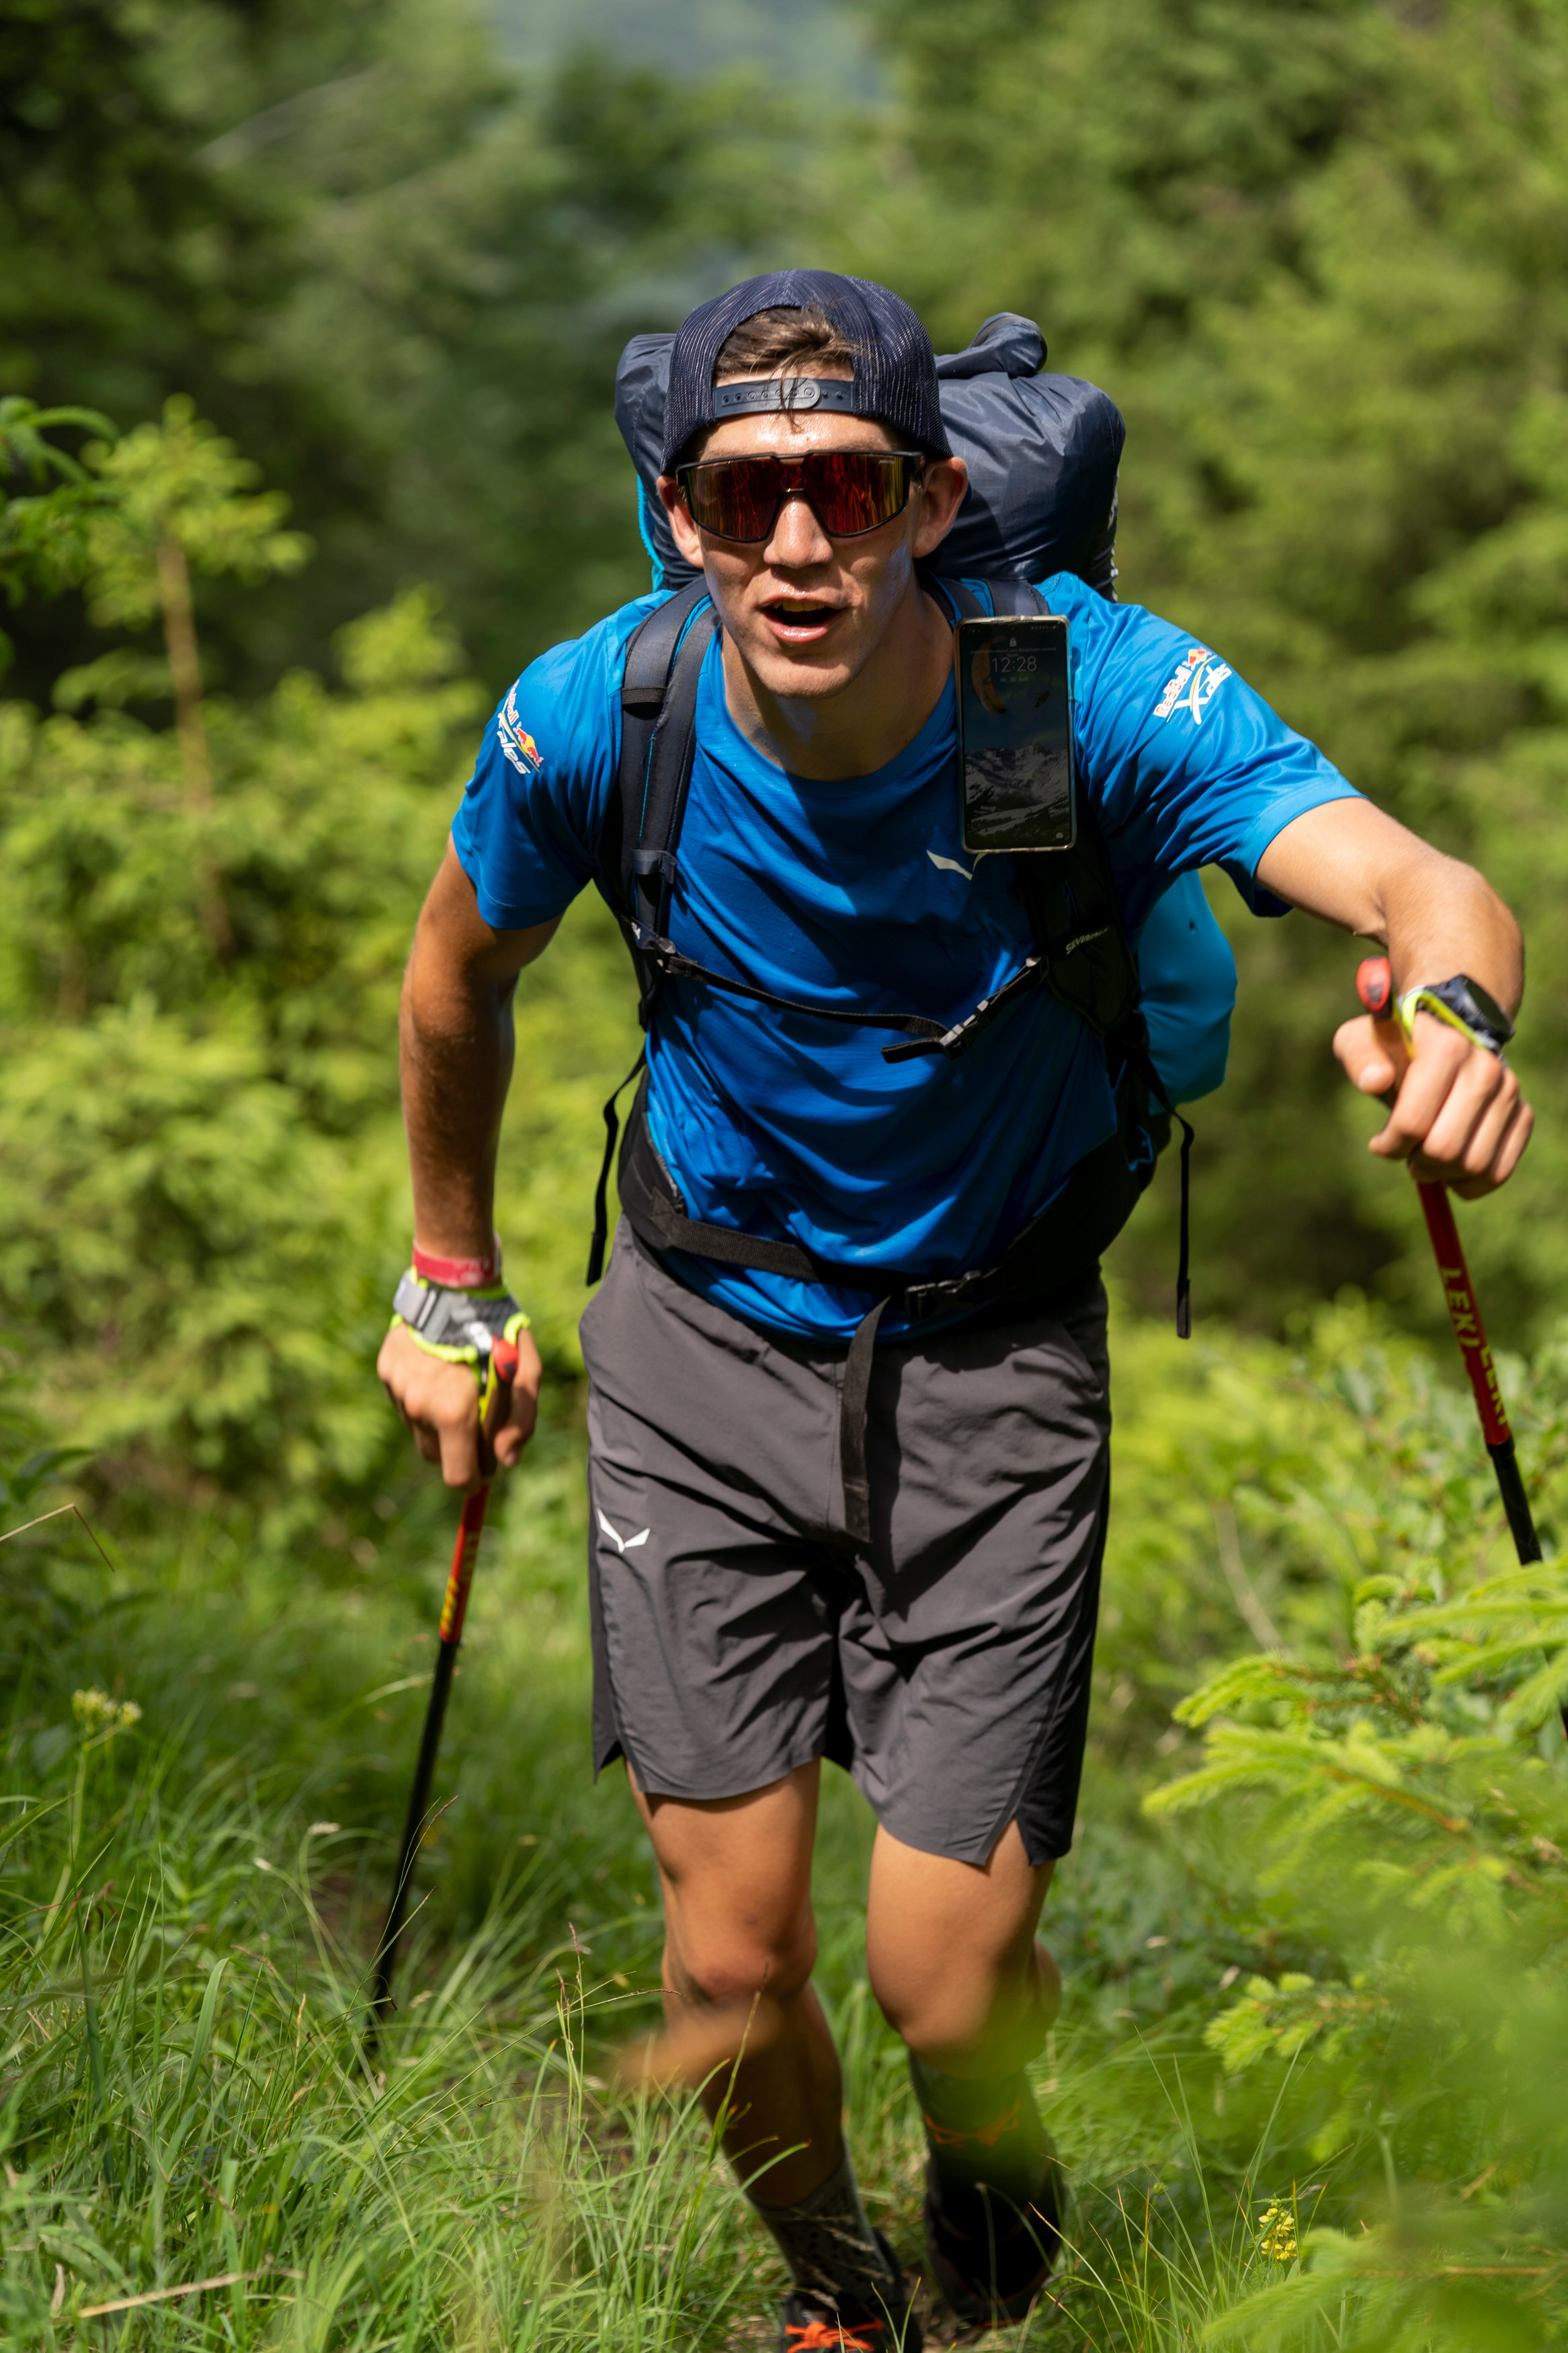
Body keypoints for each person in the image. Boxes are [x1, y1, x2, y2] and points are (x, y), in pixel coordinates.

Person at [377, 271, 1532, 2350]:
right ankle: (849, 2307)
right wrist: (446, 1279)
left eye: (850, 486)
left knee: (944, 1972)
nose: (800, 543)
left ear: (925, 500)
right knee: (730, 1972)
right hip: (697, 1339)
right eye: (750, 498)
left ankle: (989, 2184)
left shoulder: (1080, 693)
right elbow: (456, 973)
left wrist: (1450, 1007)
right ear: (678, 508)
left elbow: (1421, 882)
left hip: (992, 1359)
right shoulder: (594, 715)